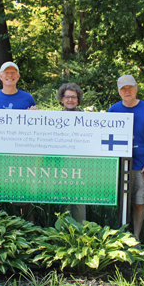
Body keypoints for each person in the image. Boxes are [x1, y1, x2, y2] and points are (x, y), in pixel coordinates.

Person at [0, 61, 38, 219]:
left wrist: (36, 114)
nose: (10, 75)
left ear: (18, 76)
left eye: (13, 73)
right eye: (6, 73)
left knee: (24, 196)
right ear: (0, 76)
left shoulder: (27, 98)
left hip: (20, 155)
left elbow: (35, 127)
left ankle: (27, 229)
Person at [108, 75, 144, 241]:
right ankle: (120, 235)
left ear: (136, 88)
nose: (127, 91)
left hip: (141, 165)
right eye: (123, 89)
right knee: (122, 203)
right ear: (119, 92)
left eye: (130, 87)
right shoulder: (114, 110)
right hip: (120, 165)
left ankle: (135, 238)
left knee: (138, 203)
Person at [57, 82, 87, 223]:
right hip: (61, 165)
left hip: (81, 164)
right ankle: (64, 234)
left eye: (73, 97)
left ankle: (80, 236)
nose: (70, 100)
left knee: (79, 202)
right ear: (62, 99)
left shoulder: (88, 119)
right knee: (64, 202)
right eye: (67, 97)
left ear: (78, 99)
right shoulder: (54, 119)